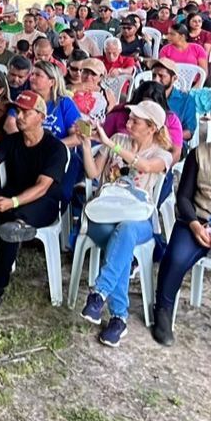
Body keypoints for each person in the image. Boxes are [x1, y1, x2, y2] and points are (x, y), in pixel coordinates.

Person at [76, 103, 173, 347]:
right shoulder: (119, 138)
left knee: (126, 231)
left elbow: (145, 167)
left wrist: (110, 145)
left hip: (139, 219)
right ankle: (118, 317)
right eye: (129, 119)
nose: (128, 124)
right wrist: (88, 144)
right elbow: (92, 173)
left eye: (136, 121)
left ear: (151, 128)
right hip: (104, 215)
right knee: (120, 242)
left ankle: (100, 294)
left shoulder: (163, 154)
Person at [0, 90, 67, 317]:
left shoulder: (55, 148)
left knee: (12, 225)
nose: (19, 116)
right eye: (19, 111)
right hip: (14, 196)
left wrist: (12, 202)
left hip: (44, 203)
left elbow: (43, 187)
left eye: (26, 112)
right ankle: (19, 226)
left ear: (41, 116)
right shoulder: (12, 141)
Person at [152, 103, 211, 359]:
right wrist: (194, 224)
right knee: (175, 257)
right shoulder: (200, 154)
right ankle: (162, 311)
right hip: (196, 220)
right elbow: (183, 197)